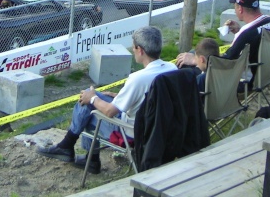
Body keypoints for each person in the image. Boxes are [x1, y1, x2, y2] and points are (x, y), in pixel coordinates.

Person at [36, 26, 176, 174]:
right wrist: (117, 96)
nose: (133, 50)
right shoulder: (171, 69)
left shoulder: (138, 78)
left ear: (140, 50)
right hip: (161, 128)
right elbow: (151, 99)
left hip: (132, 132)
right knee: (92, 98)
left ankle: (74, 149)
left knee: (87, 105)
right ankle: (85, 156)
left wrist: (93, 98)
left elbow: (110, 112)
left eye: (134, 47)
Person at [176, 0, 270, 89]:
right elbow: (255, 38)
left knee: (191, 62)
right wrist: (239, 31)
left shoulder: (245, 34)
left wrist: (195, 60)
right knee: (198, 52)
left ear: (240, 8)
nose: (235, 10)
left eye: (235, 6)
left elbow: (224, 63)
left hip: (245, 81)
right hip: (265, 73)